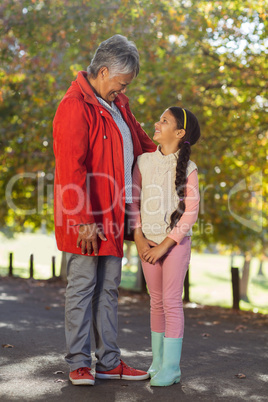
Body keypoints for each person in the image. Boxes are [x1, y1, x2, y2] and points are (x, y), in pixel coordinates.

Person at [53, 35, 156, 386]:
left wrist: (175, 153)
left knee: (109, 289)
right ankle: (80, 362)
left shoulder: (120, 105)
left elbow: (143, 145)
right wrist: (82, 221)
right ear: (104, 70)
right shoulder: (75, 105)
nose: (123, 89)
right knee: (83, 287)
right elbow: (71, 169)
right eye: (121, 82)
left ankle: (109, 362)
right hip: (88, 217)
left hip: (115, 214)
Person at [128, 106, 201, 386]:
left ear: (179, 132)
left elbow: (191, 212)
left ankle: (172, 368)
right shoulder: (144, 162)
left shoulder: (189, 169)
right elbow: (132, 201)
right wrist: (138, 236)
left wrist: (164, 246)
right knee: (155, 302)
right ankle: (157, 362)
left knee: (170, 301)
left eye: (164, 121)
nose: (156, 124)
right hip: (147, 242)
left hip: (175, 245)